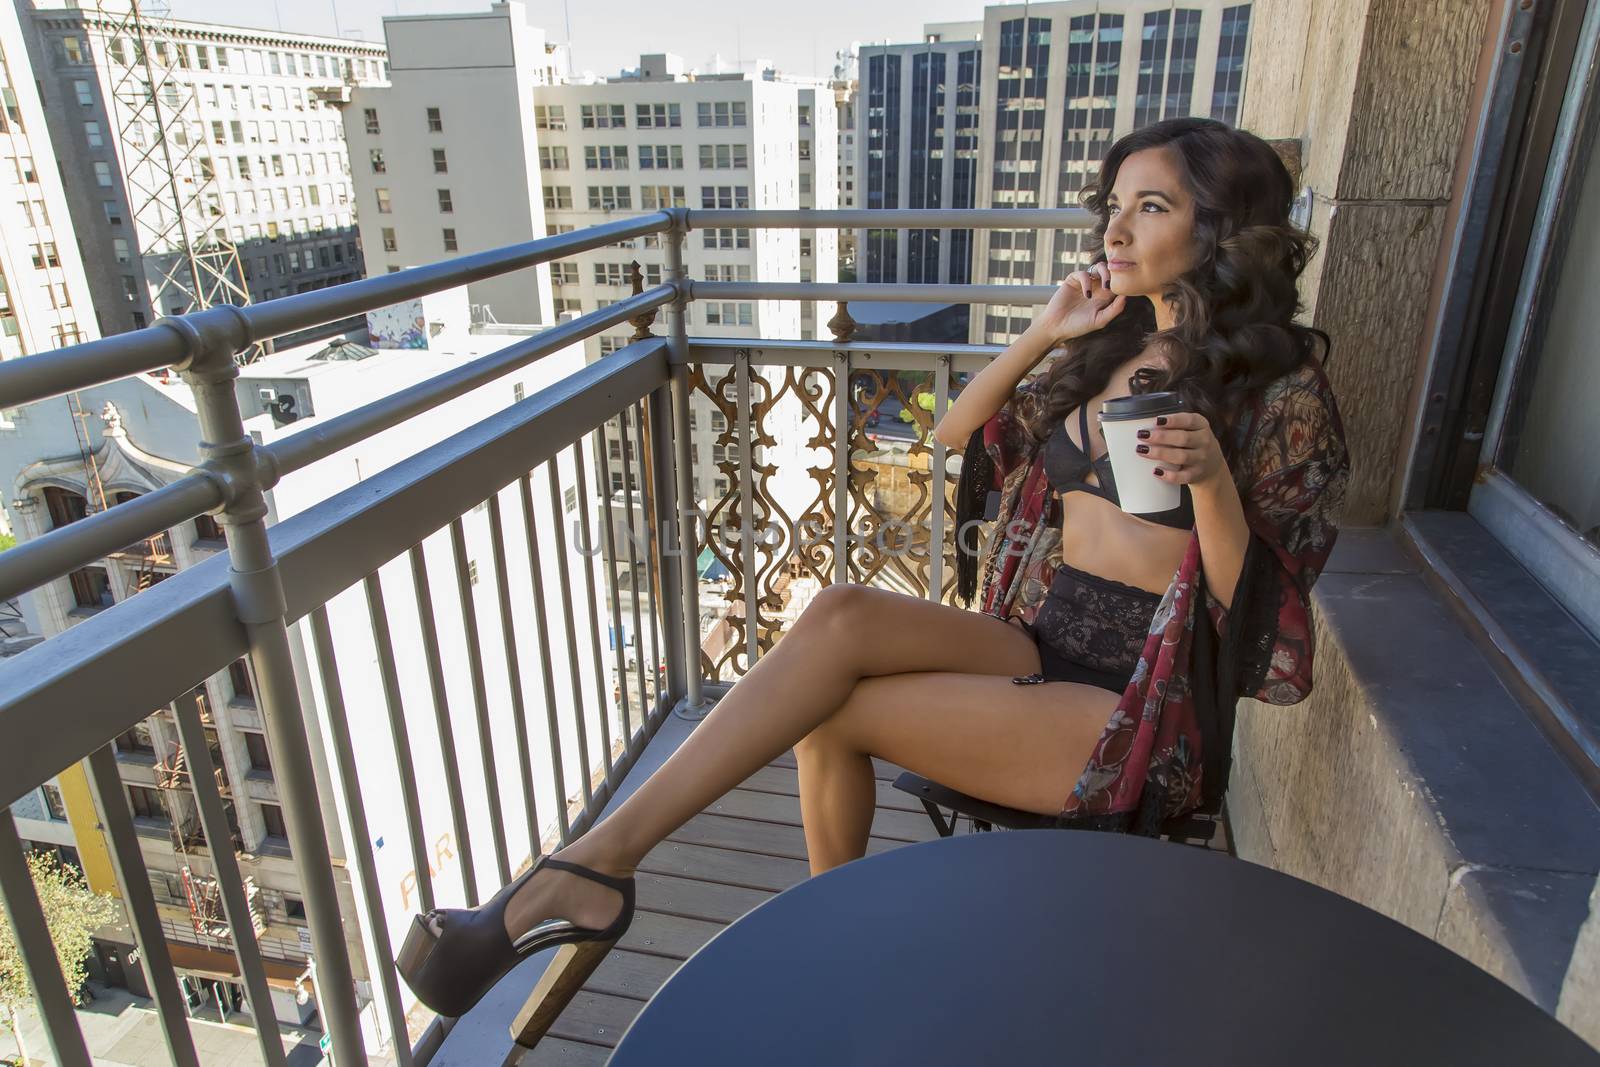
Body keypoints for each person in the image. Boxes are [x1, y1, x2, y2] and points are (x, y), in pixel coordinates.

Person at [395, 117, 1352, 1031]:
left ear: (1221, 227)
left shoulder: (1278, 387)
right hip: (1049, 632)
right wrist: (1045, 333)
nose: (1115, 226)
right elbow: (953, 433)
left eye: (1151, 206)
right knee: (843, 611)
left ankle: (765, 927)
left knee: (833, 710)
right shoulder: (1109, 344)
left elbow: (1256, 616)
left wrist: (1216, 482)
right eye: (1113, 201)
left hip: (1142, 693)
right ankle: (600, 865)